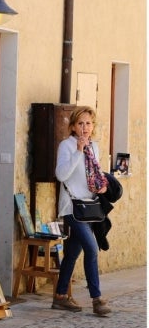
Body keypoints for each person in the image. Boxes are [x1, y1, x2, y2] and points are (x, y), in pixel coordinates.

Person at [53, 106, 111, 316]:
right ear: (73, 126)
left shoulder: (95, 147)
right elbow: (61, 175)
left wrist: (102, 186)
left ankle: (60, 296)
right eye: (80, 123)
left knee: (72, 253)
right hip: (71, 206)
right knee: (91, 249)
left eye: (88, 123)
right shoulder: (66, 146)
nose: (85, 127)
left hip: (89, 208)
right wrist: (78, 151)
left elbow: (95, 174)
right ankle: (96, 299)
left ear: (92, 126)